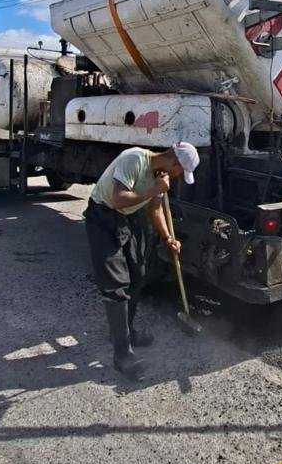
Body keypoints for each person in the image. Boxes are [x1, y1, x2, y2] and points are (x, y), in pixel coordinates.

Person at [84, 141, 200, 378]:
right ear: (174, 163)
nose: (178, 177)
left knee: (138, 275)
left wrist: (168, 238)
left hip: (125, 218)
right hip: (103, 216)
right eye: (180, 172)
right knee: (116, 285)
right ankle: (122, 355)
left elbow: (155, 209)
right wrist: (153, 190)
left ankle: (127, 331)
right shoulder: (134, 159)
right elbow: (117, 199)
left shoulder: (160, 175)